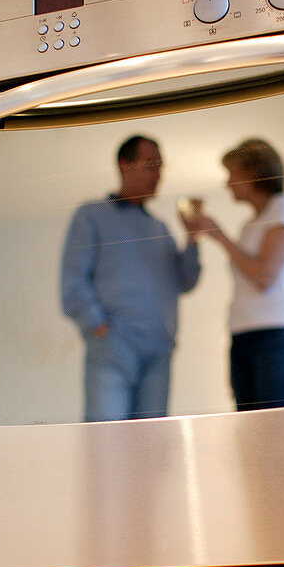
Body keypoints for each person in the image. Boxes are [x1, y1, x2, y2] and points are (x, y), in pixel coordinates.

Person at [60, 135, 201, 422]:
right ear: (125, 165)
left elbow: (186, 280)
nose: (158, 175)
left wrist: (193, 238)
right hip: (114, 345)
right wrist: (98, 326)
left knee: (150, 448)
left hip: (159, 353)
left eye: (161, 167)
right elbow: (73, 281)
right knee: (106, 442)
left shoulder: (160, 228)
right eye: (151, 165)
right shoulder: (91, 215)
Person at [188, 139, 284, 410]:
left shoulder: (283, 207)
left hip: (277, 336)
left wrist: (219, 236)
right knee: (249, 434)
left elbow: (264, 277)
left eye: (232, 173)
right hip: (244, 334)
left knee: (271, 431)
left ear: (254, 172)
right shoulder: (251, 224)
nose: (227, 183)